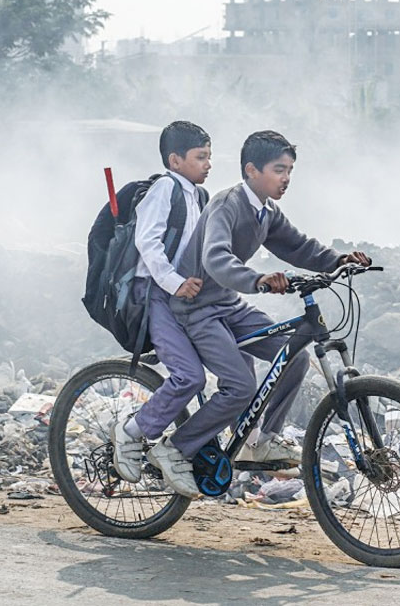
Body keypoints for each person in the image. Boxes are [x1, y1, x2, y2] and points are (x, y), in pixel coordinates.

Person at [167, 130, 371, 468]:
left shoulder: (266, 211)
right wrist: (258, 280)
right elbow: (215, 259)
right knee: (241, 386)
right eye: (279, 169)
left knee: (293, 355)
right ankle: (175, 448)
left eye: (290, 170)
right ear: (251, 170)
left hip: (226, 306)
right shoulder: (227, 204)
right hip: (197, 309)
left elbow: (298, 246)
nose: (287, 178)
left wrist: (339, 260)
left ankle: (259, 442)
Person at [110, 120, 212, 499]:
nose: (208, 164)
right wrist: (174, 282)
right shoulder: (165, 188)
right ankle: (132, 432)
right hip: (157, 295)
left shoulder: (199, 197)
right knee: (189, 377)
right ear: (175, 159)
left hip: (186, 297)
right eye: (200, 157)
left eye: (209, 157)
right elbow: (148, 243)